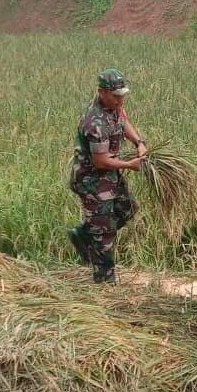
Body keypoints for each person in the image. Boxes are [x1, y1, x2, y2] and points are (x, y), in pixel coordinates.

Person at [69, 68, 147, 284]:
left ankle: (85, 233)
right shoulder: (95, 121)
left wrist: (138, 142)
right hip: (91, 179)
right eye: (116, 95)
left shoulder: (115, 106)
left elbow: (123, 122)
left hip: (110, 174)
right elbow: (100, 160)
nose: (120, 100)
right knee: (104, 232)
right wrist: (130, 165)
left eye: (122, 95)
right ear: (101, 92)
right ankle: (105, 278)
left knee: (127, 209)